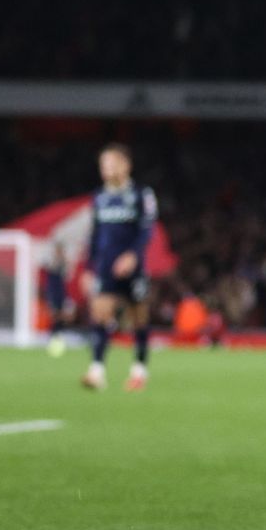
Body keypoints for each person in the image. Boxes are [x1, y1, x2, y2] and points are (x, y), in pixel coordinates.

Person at [81, 143, 158, 392]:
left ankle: (139, 371)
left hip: (132, 268)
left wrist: (133, 256)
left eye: (111, 163)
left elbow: (147, 230)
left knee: (139, 318)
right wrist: (88, 267)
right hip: (105, 267)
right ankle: (97, 370)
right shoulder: (99, 197)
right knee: (100, 313)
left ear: (126, 165)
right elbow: (94, 235)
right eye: (103, 165)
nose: (106, 169)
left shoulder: (140, 194)